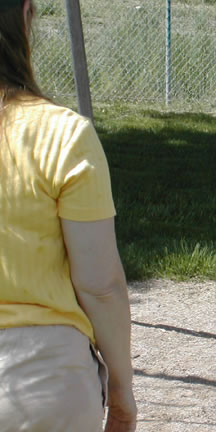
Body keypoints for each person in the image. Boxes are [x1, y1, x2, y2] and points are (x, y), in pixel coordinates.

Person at [0, 1, 137, 431]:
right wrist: (121, 391)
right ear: (25, 15)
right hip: (43, 381)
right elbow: (100, 286)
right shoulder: (63, 134)